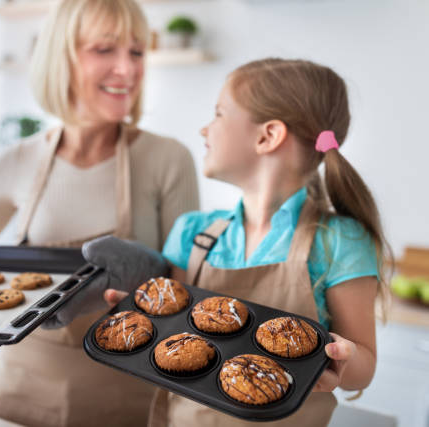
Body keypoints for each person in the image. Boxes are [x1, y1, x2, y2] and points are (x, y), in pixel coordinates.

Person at [82, 58, 391, 427]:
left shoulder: (339, 240)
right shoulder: (194, 232)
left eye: (218, 113)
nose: (204, 128)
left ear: (267, 136)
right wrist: (137, 309)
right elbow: (171, 321)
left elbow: (364, 366)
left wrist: (342, 360)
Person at [0, 0, 199, 426]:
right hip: (20, 394)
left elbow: (192, 298)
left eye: (136, 52)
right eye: (105, 50)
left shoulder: (167, 159)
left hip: (128, 397)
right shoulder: (18, 161)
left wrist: (147, 272)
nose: (128, 69)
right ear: (61, 58)